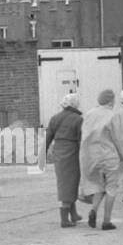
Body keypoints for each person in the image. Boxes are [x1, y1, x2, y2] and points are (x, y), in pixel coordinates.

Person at [78, 89, 123, 228]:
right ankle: (106, 221)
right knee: (111, 187)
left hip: (90, 156)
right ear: (111, 101)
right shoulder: (113, 116)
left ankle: (93, 210)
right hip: (108, 155)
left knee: (98, 186)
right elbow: (118, 139)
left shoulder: (89, 114)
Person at [44, 93, 84, 228]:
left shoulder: (54, 118)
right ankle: (64, 219)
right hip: (72, 152)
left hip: (58, 151)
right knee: (71, 183)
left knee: (65, 182)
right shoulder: (78, 119)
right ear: (75, 105)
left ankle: (73, 214)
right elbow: (81, 139)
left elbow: (48, 137)